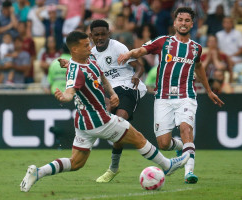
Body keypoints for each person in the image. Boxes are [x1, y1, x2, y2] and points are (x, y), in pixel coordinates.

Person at [20, 31, 190, 192]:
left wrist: (113, 93)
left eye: (89, 43)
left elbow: (101, 77)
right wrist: (63, 97)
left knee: (76, 163)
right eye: (86, 45)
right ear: (74, 49)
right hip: (98, 119)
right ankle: (167, 166)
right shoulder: (76, 72)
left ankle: (38, 172)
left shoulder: (89, 58)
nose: (90, 47)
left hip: (83, 122)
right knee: (137, 137)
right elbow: (70, 91)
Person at [117, 7, 225, 184]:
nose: (183, 23)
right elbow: (142, 51)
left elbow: (199, 68)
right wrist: (129, 53)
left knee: (186, 129)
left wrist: (209, 90)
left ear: (192, 24)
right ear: (175, 22)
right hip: (163, 97)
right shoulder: (163, 42)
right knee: (163, 144)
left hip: (186, 95)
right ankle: (183, 148)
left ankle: (188, 172)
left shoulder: (196, 48)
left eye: (187, 20)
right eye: (180, 20)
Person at [58, 19, 148, 183]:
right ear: (91, 36)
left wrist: (136, 77)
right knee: (117, 131)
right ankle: (173, 148)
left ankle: (113, 168)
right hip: (110, 91)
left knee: (120, 120)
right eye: (96, 35)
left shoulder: (118, 47)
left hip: (127, 86)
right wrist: (68, 64)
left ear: (109, 34)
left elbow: (139, 66)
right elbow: (83, 66)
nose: (100, 38)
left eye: (103, 34)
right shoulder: (90, 52)